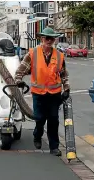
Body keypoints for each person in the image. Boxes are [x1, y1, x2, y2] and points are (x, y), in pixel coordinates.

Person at [14, 27, 70, 156]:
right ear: (42, 39)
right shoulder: (33, 54)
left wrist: (66, 89)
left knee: (53, 120)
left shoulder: (59, 56)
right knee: (39, 118)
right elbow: (20, 70)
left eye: (52, 38)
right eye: (47, 38)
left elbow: (64, 74)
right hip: (38, 94)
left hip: (54, 94)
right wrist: (18, 80)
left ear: (54, 40)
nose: (49, 41)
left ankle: (54, 147)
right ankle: (37, 135)